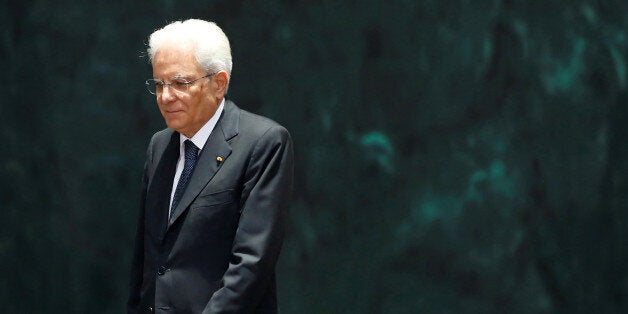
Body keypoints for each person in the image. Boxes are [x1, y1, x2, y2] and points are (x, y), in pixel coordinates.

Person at [127, 19, 294, 314]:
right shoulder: (159, 145)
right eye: (159, 84)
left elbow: (251, 266)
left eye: (180, 83)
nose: (166, 97)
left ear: (218, 83)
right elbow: (146, 259)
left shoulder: (263, 143)